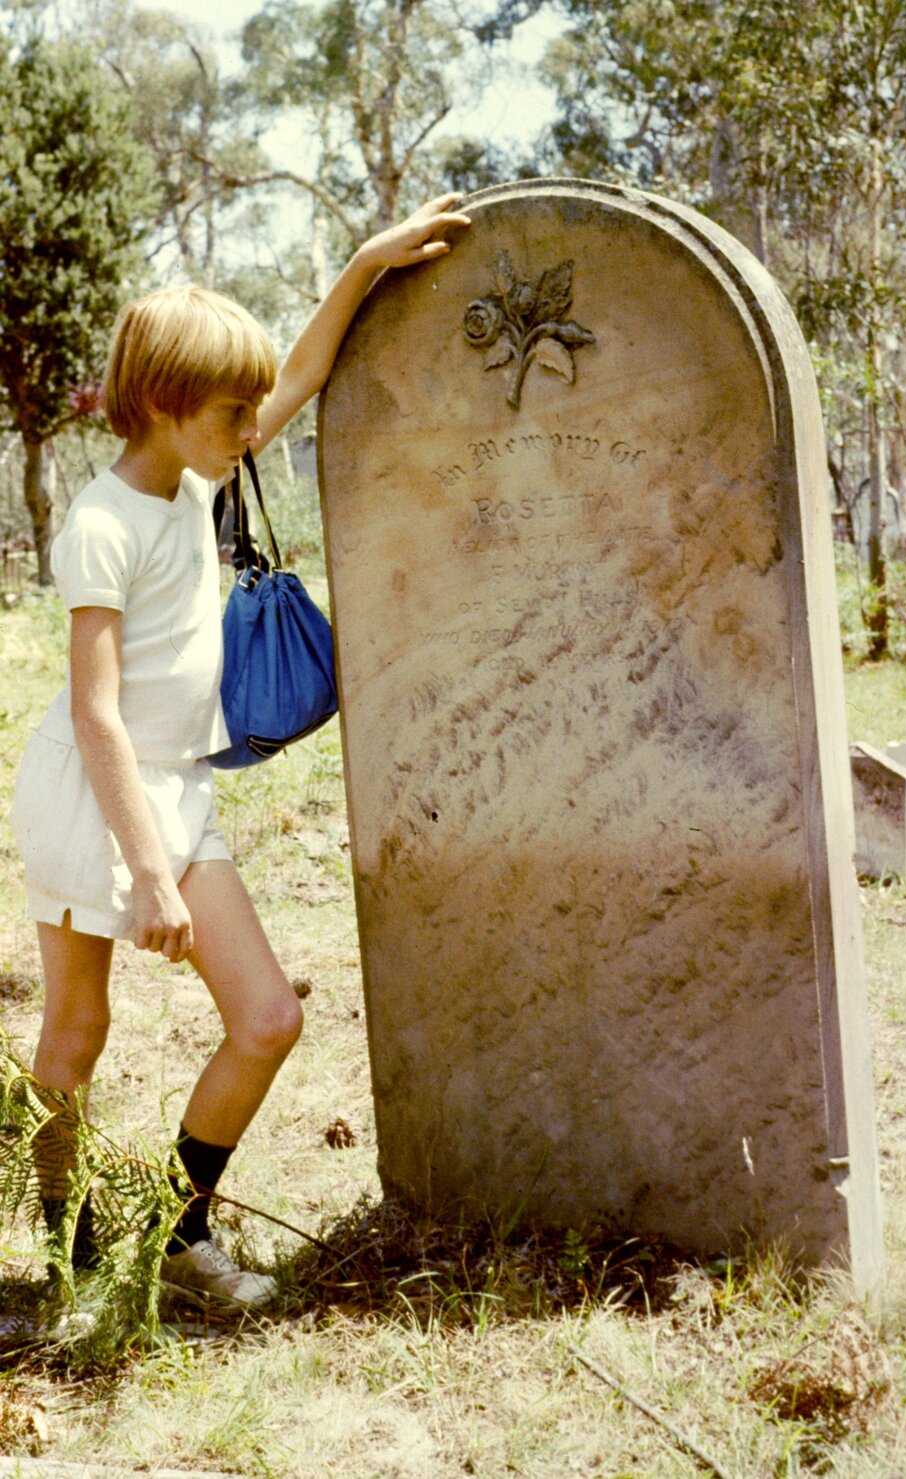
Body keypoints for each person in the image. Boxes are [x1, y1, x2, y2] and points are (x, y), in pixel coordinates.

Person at [9, 194, 471, 1307]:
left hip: (177, 792)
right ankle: (65, 1265)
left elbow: (300, 370)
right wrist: (150, 873)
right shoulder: (101, 524)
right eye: (233, 408)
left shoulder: (195, 477)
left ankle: (175, 1233)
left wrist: (367, 263)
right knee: (77, 1031)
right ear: (168, 405)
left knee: (267, 1018)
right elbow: (97, 714)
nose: (254, 423)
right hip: (92, 799)